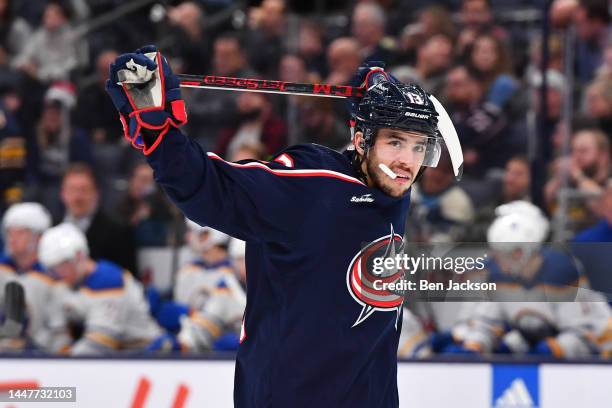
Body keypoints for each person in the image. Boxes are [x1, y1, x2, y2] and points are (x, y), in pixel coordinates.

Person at [106, 47, 463, 407]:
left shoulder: (393, 185)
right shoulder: (307, 186)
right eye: (395, 142)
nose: (407, 161)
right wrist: (159, 137)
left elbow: (372, 155)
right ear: (361, 141)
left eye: (420, 147)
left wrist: (380, 92)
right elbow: (210, 188)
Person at [37, 223, 161, 355]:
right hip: (110, 356)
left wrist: (62, 362)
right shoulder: (63, 282)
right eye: (52, 268)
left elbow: (98, 345)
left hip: (142, 352)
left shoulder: (108, 281)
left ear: (79, 256)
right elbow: (57, 331)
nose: (58, 273)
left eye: (62, 265)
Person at [0, 202, 70, 352]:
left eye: (21, 232)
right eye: (9, 232)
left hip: (42, 354)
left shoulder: (54, 276)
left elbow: (59, 329)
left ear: (39, 237)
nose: (12, 238)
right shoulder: (2, 269)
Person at [60, 163, 137, 274]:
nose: (78, 197)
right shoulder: (52, 228)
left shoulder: (119, 230)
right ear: (63, 194)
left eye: (84, 190)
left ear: (96, 193)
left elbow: (128, 276)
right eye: (72, 189)